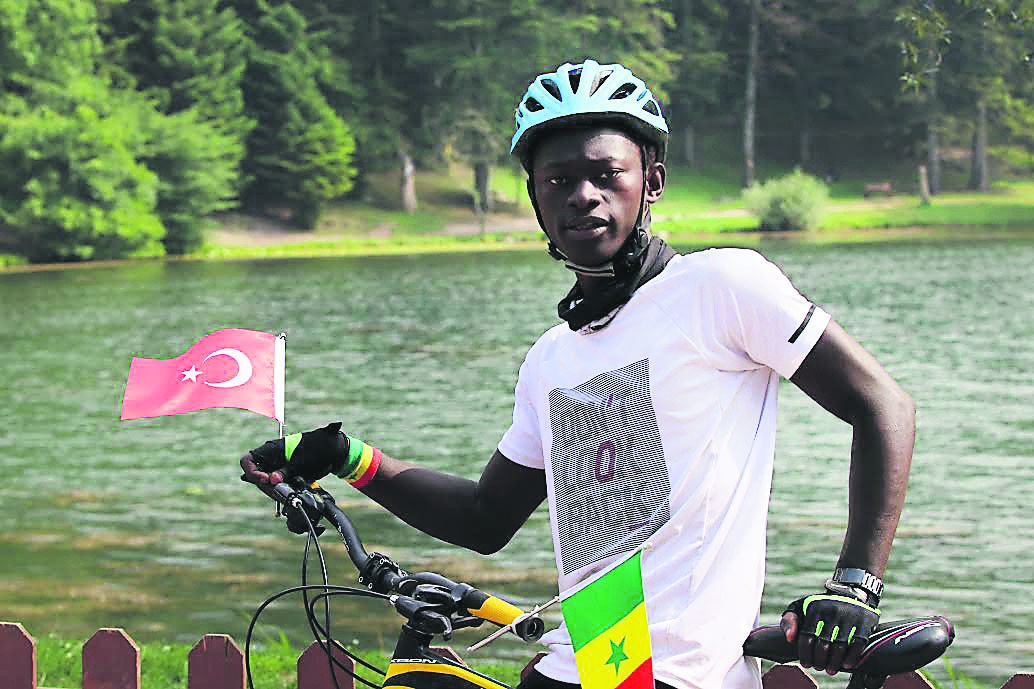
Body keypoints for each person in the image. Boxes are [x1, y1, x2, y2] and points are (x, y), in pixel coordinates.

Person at [240, 59, 915, 689]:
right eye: (558, 181)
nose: (583, 196)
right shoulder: (552, 357)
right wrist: (344, 455)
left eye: (606, 174)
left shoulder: (720, 286)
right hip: (588, 664)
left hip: (684, 673)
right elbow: (487, 515)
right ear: (535, 199)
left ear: (651, 179)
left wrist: (853, 585)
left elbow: (882, 404)